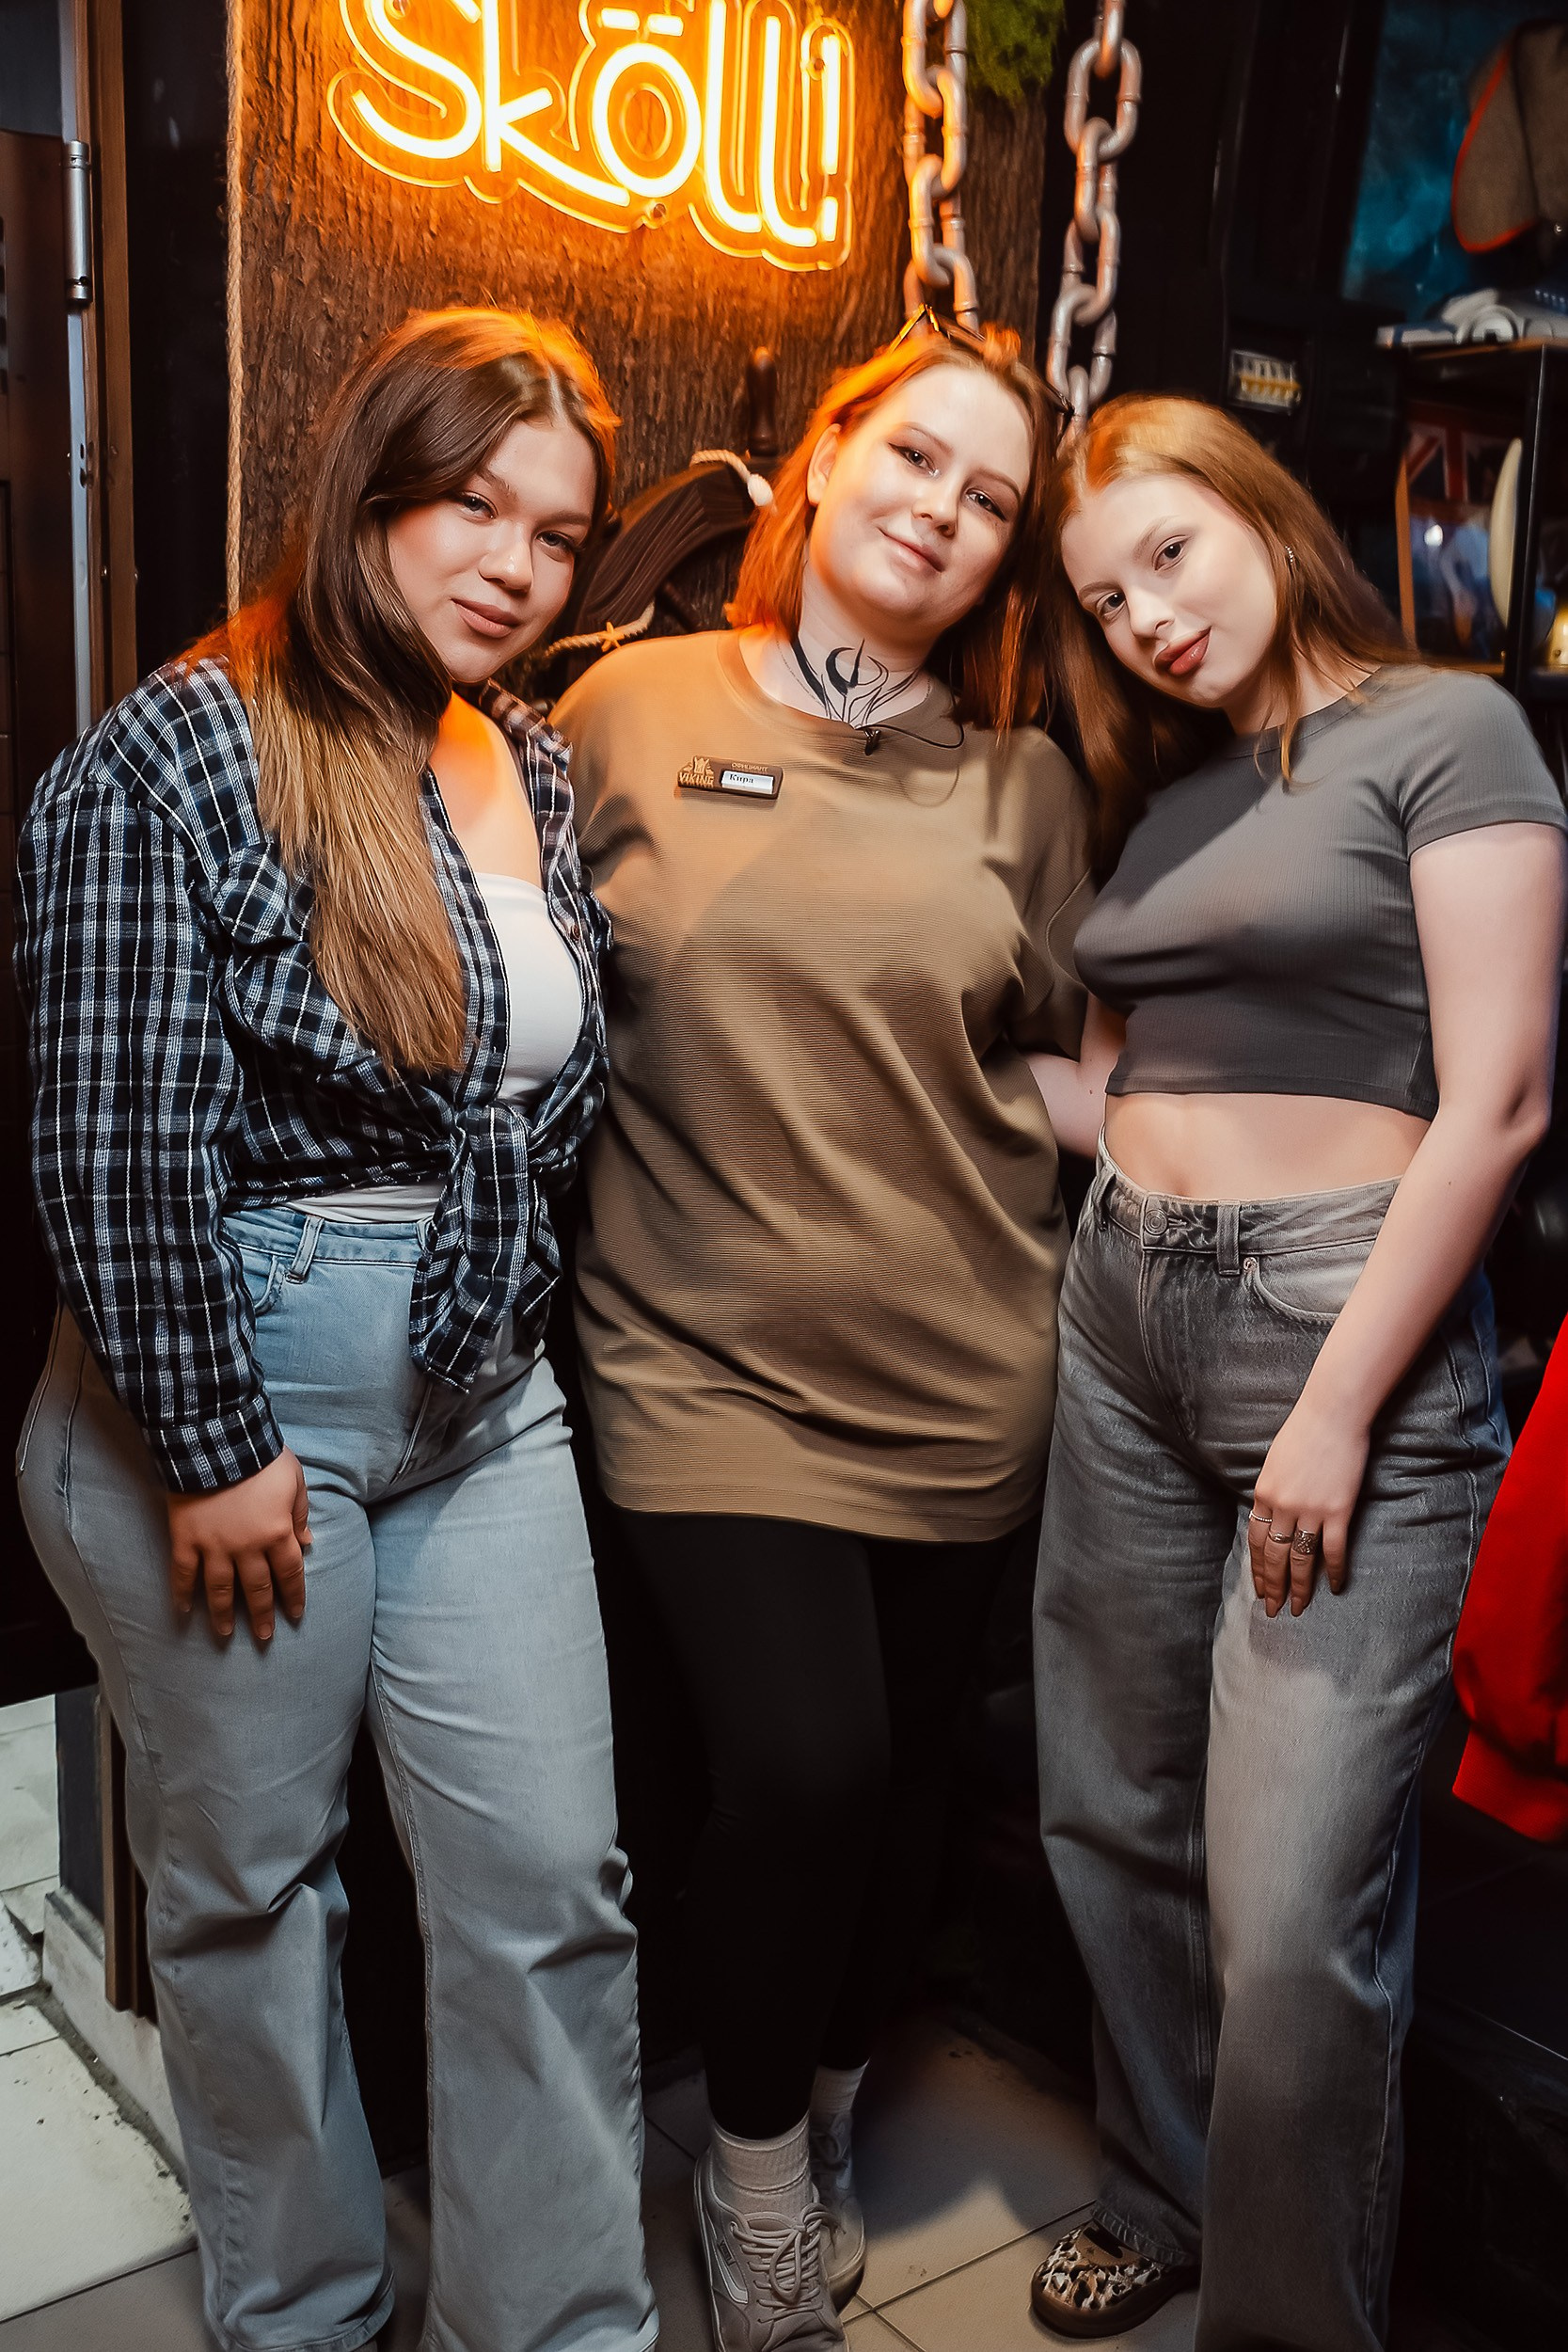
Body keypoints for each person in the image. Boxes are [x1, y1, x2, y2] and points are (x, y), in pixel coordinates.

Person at [15, 309, 657, 2352]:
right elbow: (108, 1137)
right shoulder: (184, 748)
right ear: (368, 491)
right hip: (232, 1385)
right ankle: (300, 2315)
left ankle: (559, 2328)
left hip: (482, 1393)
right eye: (472, 505)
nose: (515, 564)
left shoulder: (522, 751)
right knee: (257, 1898)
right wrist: (211, 1447)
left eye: (556, 533)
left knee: (550, 1884)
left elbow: (531, 1095)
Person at [552, 314, 1114, 2352]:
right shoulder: (623, 706)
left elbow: (1067, 1064)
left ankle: (841, 2092)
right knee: (805, 1767)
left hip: (965, 1370)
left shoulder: (1023, 786)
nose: (943, 511)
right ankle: (761, 2169)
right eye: (917, 457)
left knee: (899, 1807)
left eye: (991, 500)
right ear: (829, 450)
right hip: (696, 1361)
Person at [1026, 393, 1567, 2351]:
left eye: (1170, 554)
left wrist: (1334, 1408)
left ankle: (1284, 2324)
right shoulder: (1169, 787)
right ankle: (1158, 2190)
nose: (1149, 619)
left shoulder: (1450, 729)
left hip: (1343, 1330)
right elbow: (1119, 1088)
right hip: (1122, 1303)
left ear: (1260, 514)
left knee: (1290, 1905)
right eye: (1107, 601)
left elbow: (1498, 1106)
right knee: (1109, 1807)